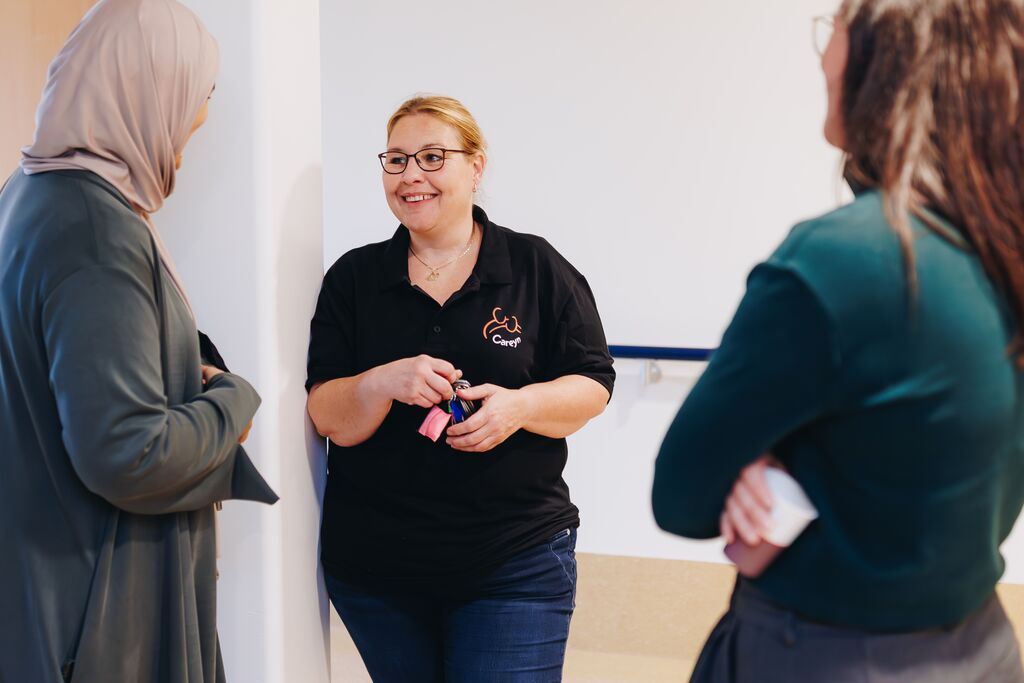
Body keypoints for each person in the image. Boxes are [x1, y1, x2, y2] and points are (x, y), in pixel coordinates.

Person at [652, 1, 1024, 680]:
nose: (823, 56)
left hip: (830, 657)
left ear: (889, 61)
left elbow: (681, 496)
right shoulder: (1002, 240)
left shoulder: (848, 258)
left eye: (835, 29)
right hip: (983, 647)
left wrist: (764, 460)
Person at [0, 1, 277, 681]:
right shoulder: (96, 230)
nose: (198, 118)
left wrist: (179, 360)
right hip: (98, 617)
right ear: (148, 89)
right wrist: (233, 402)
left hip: (48, 584)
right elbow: (128, 453)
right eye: (196, 95)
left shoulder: (30, 193)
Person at [306, 94, 614, 681]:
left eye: (432, 157)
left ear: (476, 167)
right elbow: (326, 413)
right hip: (378, 572)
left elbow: (593, 384)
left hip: (515, 560)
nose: (410, 175)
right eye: (396, 160)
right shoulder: (354, 278)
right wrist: (381, 382)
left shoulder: (535, 266)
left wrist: (520, 406)